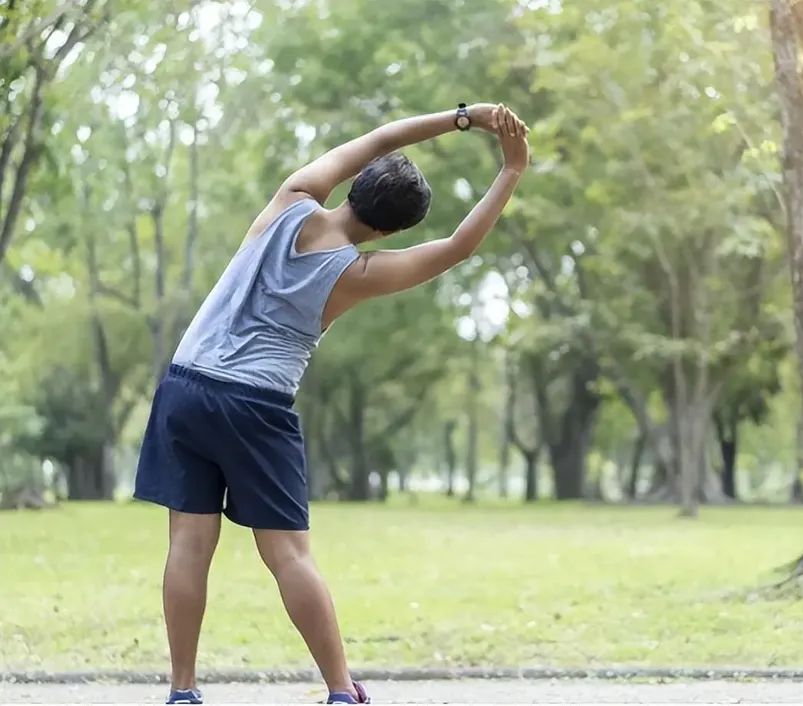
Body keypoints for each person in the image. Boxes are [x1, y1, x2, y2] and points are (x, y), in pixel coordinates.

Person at [133, 102, 529, 705]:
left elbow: (382, 136)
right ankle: (342, 693)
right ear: (393, 231)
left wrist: (462, 118)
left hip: (185, 385)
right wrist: (511, 170)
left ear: (356, 185)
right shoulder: (359, 272)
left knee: (187, 546)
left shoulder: (290, 200)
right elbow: (456, 250)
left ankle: (183, 692)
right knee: (289, 555)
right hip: (255, 405)